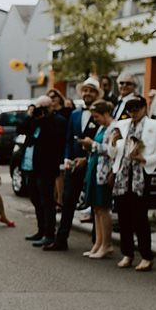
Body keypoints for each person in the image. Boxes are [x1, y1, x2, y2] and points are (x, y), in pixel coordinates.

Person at [111, 96, 156, 271]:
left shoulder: (155, 125)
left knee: (140, 217)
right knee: (123, 216)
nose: (133, 114)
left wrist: (144, 159)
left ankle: (146, 255)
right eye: (130, 110)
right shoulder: (123, 124)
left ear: (144, 108)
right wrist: (113, 142)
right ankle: (127, 253)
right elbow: (114, 152)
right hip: (123, 173)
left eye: (136, 109)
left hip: (142, 173)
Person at [48, 77, 101, 251]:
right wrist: (67, 158)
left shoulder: (102, 113)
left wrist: (86, 158)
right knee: (68, 201)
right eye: (85, 90)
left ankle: (97, 241)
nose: (87, 93)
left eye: (91, 91)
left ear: (97, 93)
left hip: (93, 163)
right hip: (73, 164)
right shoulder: (75, 114)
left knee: (95, 204)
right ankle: (61, 238)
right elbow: (69, 139)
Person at [21, 96, 66, 247]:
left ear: (50, 107)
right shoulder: (34, 119)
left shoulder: (56, 120)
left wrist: (44, 118)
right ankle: (41, 230)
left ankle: (49, 233)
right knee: (35, 199)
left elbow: (55, 139)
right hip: (31, 166)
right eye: (38, 106)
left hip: (46, 167)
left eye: (43, 107)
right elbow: (21, 130)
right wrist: (30, 115)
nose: (40, 110)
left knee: (47, 201)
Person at [79, 100, 117, 259]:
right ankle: (98, 243)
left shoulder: (114, 128)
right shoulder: (102, 127)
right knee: (96, 208)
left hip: (105, 170)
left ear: (106, 113)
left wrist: (92, 144)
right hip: (95, 168)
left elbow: (112, 150)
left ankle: (106, 244)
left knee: (103, 208)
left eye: (97, 116)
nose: (95, 120)